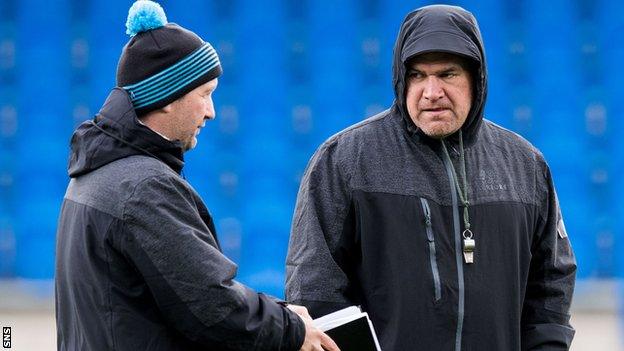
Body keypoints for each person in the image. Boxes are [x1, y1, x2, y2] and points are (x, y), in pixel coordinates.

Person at [286, 4, 576, 351]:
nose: (432, 91)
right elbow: (315, 290)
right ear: (400, 79)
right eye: (417, 75)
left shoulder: (525, 165)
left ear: (476, 77)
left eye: (448, 74)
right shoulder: (344, 160)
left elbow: (550, 287)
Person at [55, 1, 339, 351]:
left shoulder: (94, 174)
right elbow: (212, 305)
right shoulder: (143, 187)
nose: (211, 112)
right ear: (167, 97)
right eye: (204, 95)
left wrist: (280, 314)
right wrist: (291, 329)